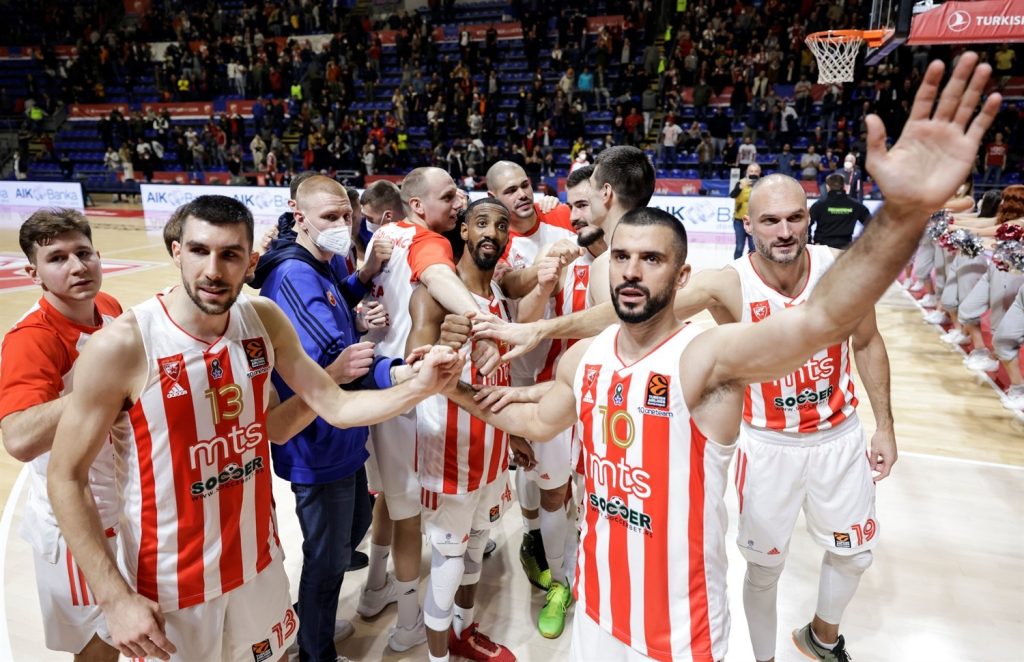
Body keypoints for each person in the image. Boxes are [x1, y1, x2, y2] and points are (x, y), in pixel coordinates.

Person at [463, 52, 998, 661]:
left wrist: (903, 215)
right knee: (758, 568)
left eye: (652, 259)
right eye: (623, 258)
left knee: (851, 553)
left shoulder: (717, 348)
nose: (633, 272)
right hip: (634, 575)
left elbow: (835, 325)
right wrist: (452, 376)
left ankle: (820, 634)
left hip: (720, 582)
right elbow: (544, 401)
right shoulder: (610, 344)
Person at [46, 194, 464, 661]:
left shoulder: (261, 320)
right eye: (200, 251)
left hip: (259, 563)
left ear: (250, 260)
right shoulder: (123, 345)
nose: (213, 269)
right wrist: (114, 597)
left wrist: (422, 384)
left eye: (230, 254)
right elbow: (65, 475)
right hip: (172, 580)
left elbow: (325, 409)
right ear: (176, 252)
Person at [250, 175, 407, 661]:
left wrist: (363, 281)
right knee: (327, 558)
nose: (342, 225)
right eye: (330, 217)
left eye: (347, 215)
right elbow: (339, 360)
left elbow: (335, 300)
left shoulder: (322, 261)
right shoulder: (292, 274)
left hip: (340, 437)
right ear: (300, 217)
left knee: (349, 531)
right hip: (314, 442)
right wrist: (405, 373)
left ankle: (310, 619)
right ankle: (315, 649)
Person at [358, 167, 503, 653]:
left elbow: (369, 288)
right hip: (411, 394)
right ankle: (407, 623)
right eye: (450, 196)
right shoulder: (430, 243)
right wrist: (484, 323)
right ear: (417, 206)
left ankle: (374, 587)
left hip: (377, 381)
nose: (460, 200)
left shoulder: (383, 234)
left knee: (385, 498)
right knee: (408, 513)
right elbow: (438, 275)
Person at [0, 210, 122, 662]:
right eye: (57, 258)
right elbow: (18, 438)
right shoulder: (32, 338)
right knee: (97, 645)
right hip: (75, 519)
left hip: (120, 502)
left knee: (129, 628)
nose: (76, 266)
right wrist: (103, 385)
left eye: (83, 253)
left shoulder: (107, 306)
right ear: (33, 273)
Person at [407, 198, 517, 662]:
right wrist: (437, 349)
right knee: (449, 562)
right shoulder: (434, 293)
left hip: (492, 451)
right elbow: (413, 359)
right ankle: (437, 659)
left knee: (475, 550)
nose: (492, 231)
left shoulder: (498, 302)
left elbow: (503, 379)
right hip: (448, 453)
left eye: (501, 225)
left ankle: (464, 633)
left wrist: (519, 437)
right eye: (481, 223)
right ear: (465, 234)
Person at [513, 165, 609, 638]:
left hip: (613, 404)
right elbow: (527, 327)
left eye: (585, 204)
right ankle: (561, 582)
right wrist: (545, 284)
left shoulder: (636, 259)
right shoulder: (561, 257)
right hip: (558, 394)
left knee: (601, 496)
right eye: (571, 205)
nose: (574, 215)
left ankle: (599, 578)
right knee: (553, 491)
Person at [809, 173, 872, 249]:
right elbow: (871, 224)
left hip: (822, 247)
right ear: (844, 186)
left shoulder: (819, 205)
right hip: (845, 247)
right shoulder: (856, 205)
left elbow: (807, 224)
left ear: (827, 187)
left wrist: (809, 243)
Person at [731, 163, 761, 258]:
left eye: (756, 171)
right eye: (751, 171)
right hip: (739, 220)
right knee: (739, 247)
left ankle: (751, 267)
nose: (753, 173)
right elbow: (732, 195)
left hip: (755, 221)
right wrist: (740, 187)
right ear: (747, 172)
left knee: (753, 248)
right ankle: (736, 267)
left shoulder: (762, 184)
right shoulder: (740, 182)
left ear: (759, 173)